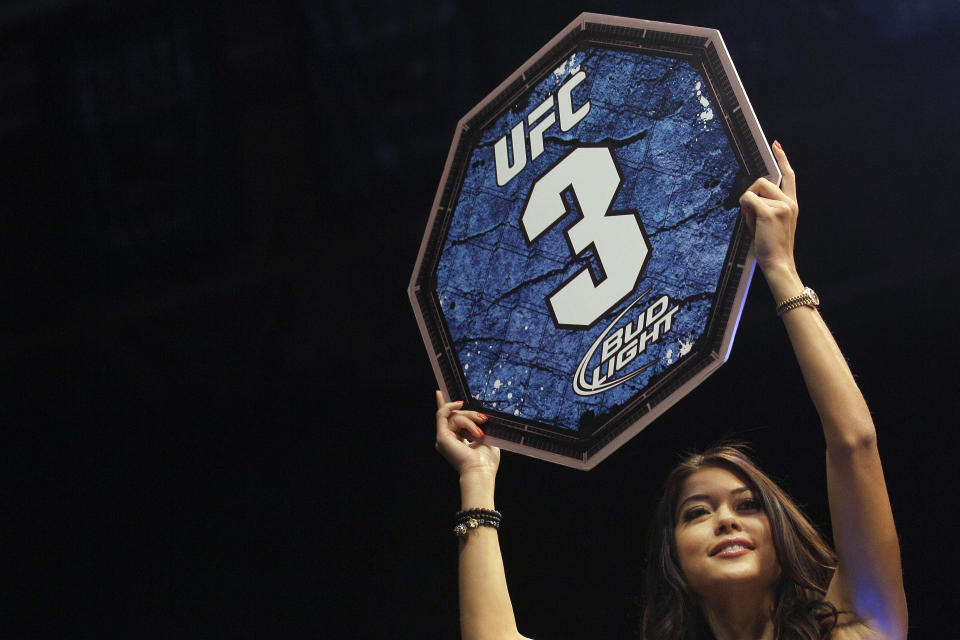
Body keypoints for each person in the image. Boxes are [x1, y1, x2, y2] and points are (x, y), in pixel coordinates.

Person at [433, 142, 907, 640]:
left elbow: (854, 446)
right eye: (697, 513)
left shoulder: (858, 630)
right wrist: (477, 479)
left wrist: (781, 271)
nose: (726, 521)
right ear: (674, 560)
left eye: (747, 506)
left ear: (781, 538)